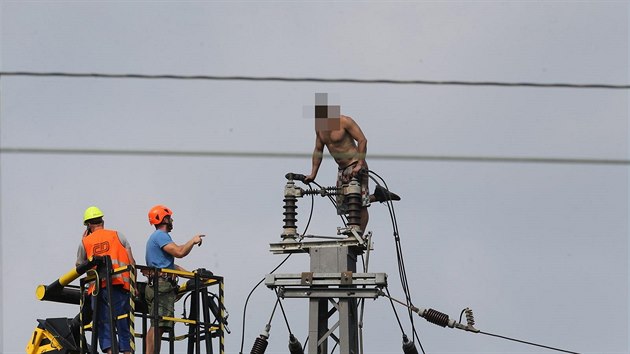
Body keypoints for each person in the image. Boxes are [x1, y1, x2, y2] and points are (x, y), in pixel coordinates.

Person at [304, 102, 400, 233]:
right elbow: (318, 150)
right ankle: (378, 196)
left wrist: (360, 163)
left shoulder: (345, 121)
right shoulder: (320, 129)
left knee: (360, 204)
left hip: (356, 165)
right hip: (341, 170)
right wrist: (313, 174)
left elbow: (362, 140)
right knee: (345, 206)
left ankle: (359, 233)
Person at [144, 204, 205, 354]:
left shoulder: (157, 238)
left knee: (160, 326)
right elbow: (179, 252)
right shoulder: (160, 235)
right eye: (170, 217)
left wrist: (192, 276)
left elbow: (172, 266)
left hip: (159, 285)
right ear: (164, 219)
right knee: (158, 325)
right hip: (162, 287)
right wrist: (193, 240)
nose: (172, 220)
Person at [76, 206, 136, 354]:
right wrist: (134, 288)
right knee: (123, 322)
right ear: (102, 221)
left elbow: (79, 267)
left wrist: (85, 240)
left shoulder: (85, 242)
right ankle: (127, 352)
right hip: (121, 286)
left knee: (103, 323)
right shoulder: (118, 235)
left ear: (89, 225)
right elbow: (132, 262)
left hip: (98, 290)